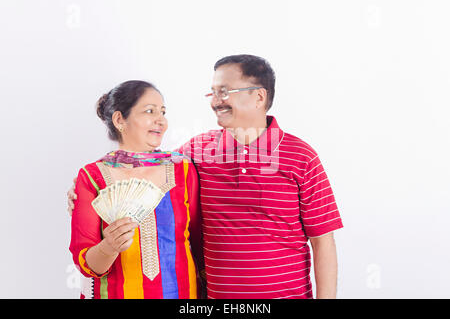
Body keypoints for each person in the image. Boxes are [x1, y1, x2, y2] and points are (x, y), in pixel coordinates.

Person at [68, 55, 343, 299]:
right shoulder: (195, 153)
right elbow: (141, 165)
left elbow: (323, 242)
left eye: (225, 92)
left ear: (259, 97)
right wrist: (81, 193)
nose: (215, 102)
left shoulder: (301, 156)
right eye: (212, 93)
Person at [69, 80, 203, 299]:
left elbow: (198, 242)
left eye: (163, 112)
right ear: (120, 120)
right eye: (150, 111)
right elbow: (86, 264)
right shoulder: (92, 177)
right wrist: (109, 247)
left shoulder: (183, 169)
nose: (161, 120)